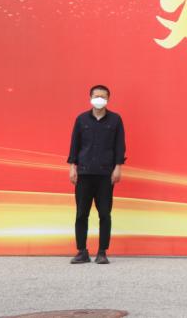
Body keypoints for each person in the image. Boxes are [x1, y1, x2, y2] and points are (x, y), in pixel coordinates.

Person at [67, 84, 126, 264]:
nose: (99, 99)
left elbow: (119, 145)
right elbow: (75, 144)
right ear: (90, 98)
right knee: (81, 213)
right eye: (96, 96)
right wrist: (72, 167)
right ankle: (82, 251)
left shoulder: (115, 120)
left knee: (105, 214)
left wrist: (118, 167)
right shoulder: (81, 119)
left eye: (103, 96)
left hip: (105, 174)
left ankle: (102, 252)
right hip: (84, 173)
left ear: (108, 99)